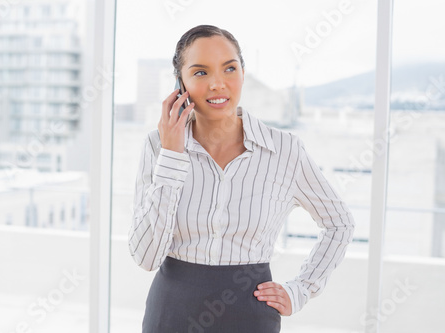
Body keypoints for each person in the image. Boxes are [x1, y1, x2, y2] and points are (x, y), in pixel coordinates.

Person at [128, 24, 356, 333]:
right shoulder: (158, 146)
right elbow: (146, 257)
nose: (218, 84)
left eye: (229, 69)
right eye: (200, 73)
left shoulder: (284, 150)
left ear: (243, 74)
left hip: (250, 315)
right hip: (172, 313)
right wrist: (172, 155)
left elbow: (339, 223)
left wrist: (301, 289)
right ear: (179, 84)